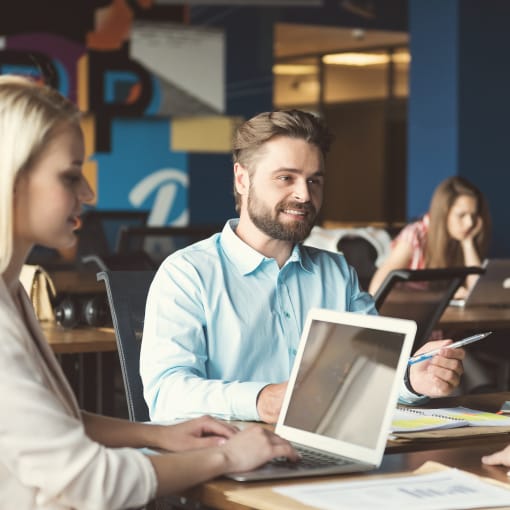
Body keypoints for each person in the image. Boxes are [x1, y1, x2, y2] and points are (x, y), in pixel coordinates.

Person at [0, 75, 298, 509]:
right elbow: (88, 482)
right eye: (69, 177)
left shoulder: (12, 293)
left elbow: (54, 424)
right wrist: (226, 457)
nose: (89, 193)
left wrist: (157, 434)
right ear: (10, 177)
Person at [140, 109, 465, 425]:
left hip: (326, 447)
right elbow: (165, 395)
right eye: (286, 178)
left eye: (315, 181)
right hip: (226, 458)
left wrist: (410, 379)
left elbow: (371, 371)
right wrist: (260, 400)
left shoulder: (336, 273)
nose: (304, 195)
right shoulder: (187, 274)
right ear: (242, 179)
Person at [368, 176, 491, 297]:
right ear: (443, 213)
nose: (470, 223)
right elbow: (376, 290)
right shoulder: (414, 235)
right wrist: (442, 296)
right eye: (461, 215)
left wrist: (468, 243)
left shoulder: (460, 238)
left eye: (473, 215)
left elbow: (478, 293)